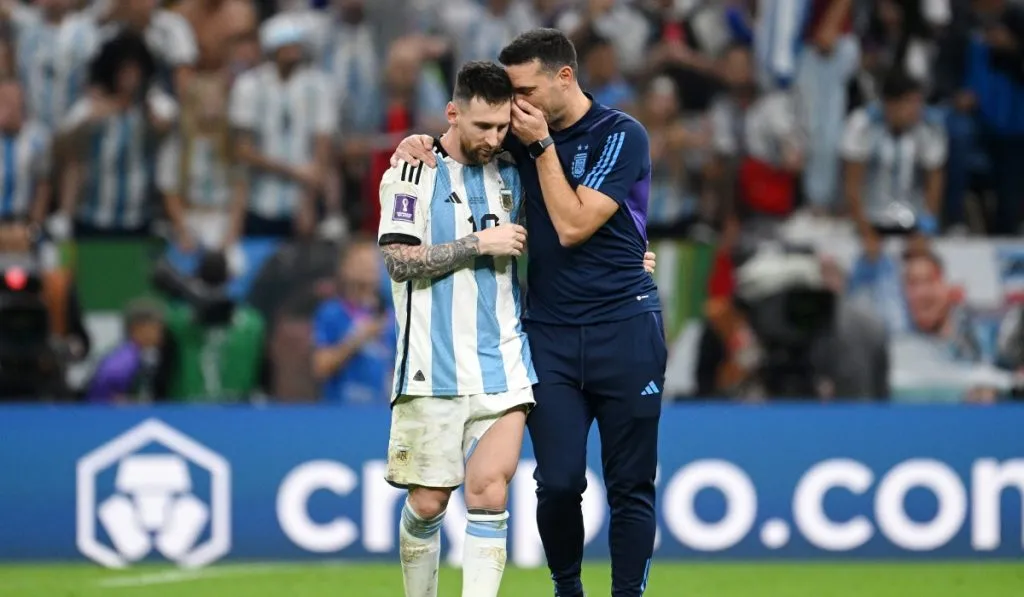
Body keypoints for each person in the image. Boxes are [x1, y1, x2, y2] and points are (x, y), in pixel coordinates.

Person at [390, 29, 666, 597]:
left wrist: (542, 148)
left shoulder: (620, 134)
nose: (515, 106)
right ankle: (567, 589)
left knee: (631, 485)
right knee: (559, 483)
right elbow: (465, 144)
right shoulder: (513, 141)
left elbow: (571, 226)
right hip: (550, 335)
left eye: (525, 90)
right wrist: (417, 144)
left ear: (564, 77)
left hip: (625, 327)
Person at [377, 61, 535, 597]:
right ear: (453, 112)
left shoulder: (515, 171)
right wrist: (477, 245)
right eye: (482, 126)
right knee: (428, 504)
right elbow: (399, 260)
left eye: (501, 127)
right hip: (431, 366)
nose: (493, 138)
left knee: (490, 491)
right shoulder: (411, 171)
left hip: (503, 362)